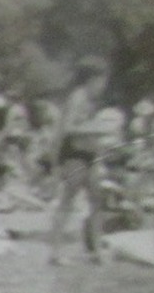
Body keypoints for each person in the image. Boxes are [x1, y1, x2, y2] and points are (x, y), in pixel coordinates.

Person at [47, 56, 112, 265]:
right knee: (68, 200)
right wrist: (98, 129)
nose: (104, 86)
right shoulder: (78, 97)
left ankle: (96, 250)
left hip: (89, 154)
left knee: (97, 201)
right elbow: (69, 129)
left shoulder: (90, 101)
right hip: (74, 155)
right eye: (102, 81)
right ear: (92, 79)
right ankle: (55, 252)